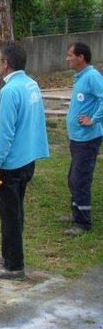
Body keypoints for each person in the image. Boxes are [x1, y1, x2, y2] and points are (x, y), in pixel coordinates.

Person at [0, 41, 49, 280]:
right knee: (16, 210)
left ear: (6, 64)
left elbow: (4, 133)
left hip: (11, 165)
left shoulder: (10, 91)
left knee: (9, 214)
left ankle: (14, 265)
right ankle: (9, 252)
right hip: (27, 160)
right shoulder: (31, 85)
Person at [61, 42, 103, 236]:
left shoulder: (92, 77)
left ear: (81, 57)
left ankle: (83, 223)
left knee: (80, 179)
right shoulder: (80, 77)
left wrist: (93, 119)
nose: (67, 58)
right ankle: (76, 212)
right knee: (73, 178)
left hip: (88, 139)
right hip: (77, 138)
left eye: (70, 55)